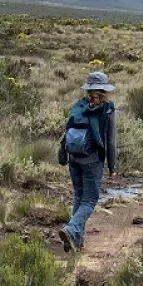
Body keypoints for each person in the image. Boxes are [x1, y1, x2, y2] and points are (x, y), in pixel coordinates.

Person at [58, 72, 118, 252]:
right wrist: (112, 166)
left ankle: (76, 240)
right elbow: (111, 141)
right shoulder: (108, 108)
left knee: (79, 196)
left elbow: (67, 130)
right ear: (104, 90)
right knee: (90, 200)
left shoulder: (79, 104)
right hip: (93, 161)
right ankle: (72, 229)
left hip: (74, 158)